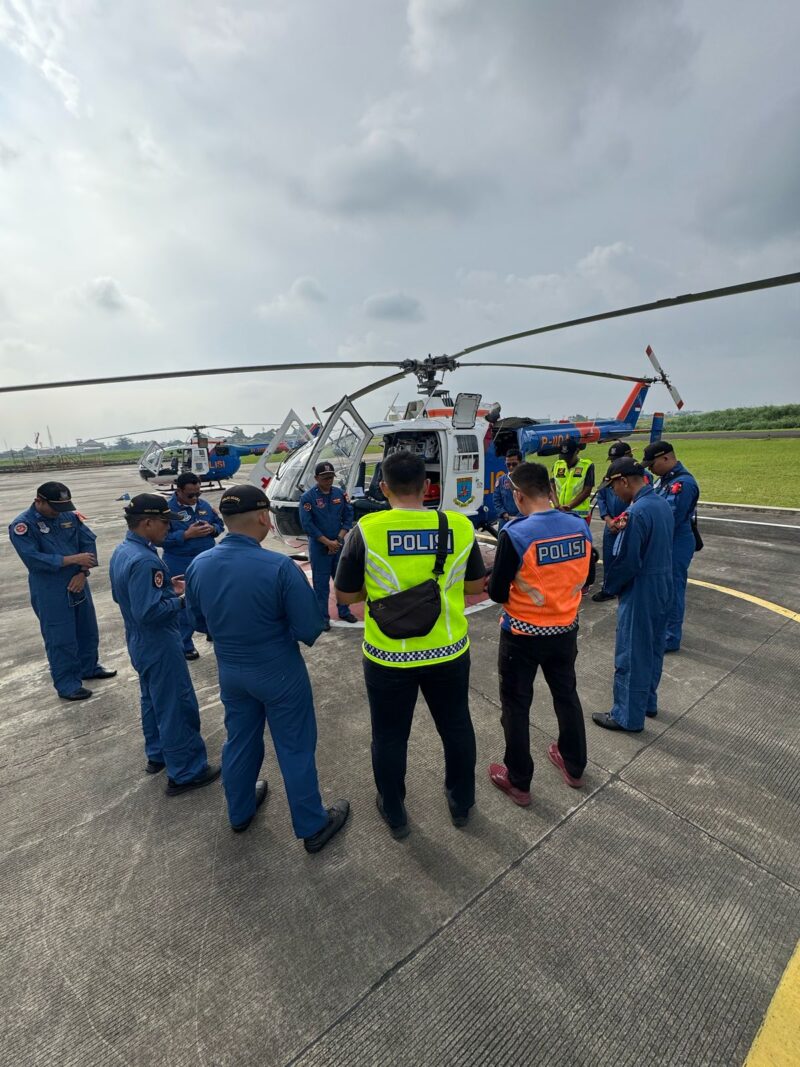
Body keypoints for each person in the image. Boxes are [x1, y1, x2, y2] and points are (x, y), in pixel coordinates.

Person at [185, 485, 349, 850]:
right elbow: (309, 627)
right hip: (278, 668)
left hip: (230, 668)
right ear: (263, 517)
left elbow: (196, 621)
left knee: (240, 739)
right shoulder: (277, 566)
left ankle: (239, 810)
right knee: (294, 746)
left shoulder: (198, 565)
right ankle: (311, 824)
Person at [335, 451, 485, 839]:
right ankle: (461, 802)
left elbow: (347, 595)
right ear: (428, 487)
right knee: (456, 727)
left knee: (388, 735)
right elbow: (473, 588)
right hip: (448, 650)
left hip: (388, 655)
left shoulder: (366, 530)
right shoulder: (459, 526)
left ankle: (395, 809)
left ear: (383, 488)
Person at [487, 462, 591, 806]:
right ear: (550, 490)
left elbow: (498, 593)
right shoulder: (580, 526)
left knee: (516, 707)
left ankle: (519, 780)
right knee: (566, 696)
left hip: (523, 634)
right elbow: (588, 576)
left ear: (518, 496)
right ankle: (574, 765)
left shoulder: (516, 534)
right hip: (565, 630)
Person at [109, 493, 219, 794]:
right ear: (146, 523)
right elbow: (150, 611)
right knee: (176, 704)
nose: (168, 530)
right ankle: (186, 770)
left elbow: (128, 597)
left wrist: (168, 588)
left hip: (137, 639)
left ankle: (157, 754)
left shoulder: (124, 551)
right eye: (164, 523)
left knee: (152, 698)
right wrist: (182, 600)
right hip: (158, 640)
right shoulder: (146, 560)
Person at [8, 481, 116, 700]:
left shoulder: (69, 516)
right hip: (50, 588)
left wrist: (82, 571)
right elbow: (33, 559)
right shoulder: (23, 526)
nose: (60, 512)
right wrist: (72, 560)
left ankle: (89, 667)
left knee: (87, 629)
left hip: (78, 580)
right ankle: (68, 684)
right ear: (39, 501)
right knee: (60, 636)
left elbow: (88, 541)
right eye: (55, 507)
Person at [592, 458, 673, 733]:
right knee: (652, 647)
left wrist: (611, 587)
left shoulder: (636, 512)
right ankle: (647, 701)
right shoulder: (661, 503)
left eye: (614, 487)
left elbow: (627, 559)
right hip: (663, 582)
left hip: (642, 586)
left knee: (632, 652)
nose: (614, 493)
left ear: (624, 481)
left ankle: (627, 715)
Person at [643, 440, 700, 653]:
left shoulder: (683, 484)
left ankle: (670, 638)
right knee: (662, 590)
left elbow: (671, 518)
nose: (650, 469)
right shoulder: (664, 480)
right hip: (666, 541)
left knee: (672, 590)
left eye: (652, 464)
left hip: (676, 541)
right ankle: (662, 632)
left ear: (665, 458)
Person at [161, 472, 224, 660]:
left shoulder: (204, 506)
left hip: (206, 559)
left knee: (212, 598)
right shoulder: (166, 511)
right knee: (183, 603)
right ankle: (185, 643)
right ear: (178, 491)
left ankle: (210, 630)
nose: (195, 498)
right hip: (180, 560)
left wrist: (213, 529)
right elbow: (161, 539)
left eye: (198, 493)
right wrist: (186, 535)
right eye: (190, 495)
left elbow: (219, 524)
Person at [299, 462, 357, 630]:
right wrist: (327, 542)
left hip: (338, 545)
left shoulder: (340, 494)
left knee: (342, 581)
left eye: (331, 477)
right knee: (321, 583)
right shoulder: (308, 498)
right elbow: (307, 525)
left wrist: (338, 540)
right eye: (325, 478)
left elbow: (348, 516)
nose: (329, 480)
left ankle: (344, 611)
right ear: (316, 478)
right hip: (319, 547)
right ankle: (323, 617)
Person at [552, 439, 596, 594]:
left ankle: (584, 582)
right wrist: (557, 505)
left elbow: (587, 489)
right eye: (563, 456)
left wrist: (569, 506)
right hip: (559, 513)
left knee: (580, 550)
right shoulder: (558, 465)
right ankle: (564, 578)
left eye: (568, 456)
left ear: (577, 452)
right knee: (561, 549)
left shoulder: (586, 466)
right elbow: (553, 485)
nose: (565, 459)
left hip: (578, 516)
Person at [591, 440, 633, 602]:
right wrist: (608, 520)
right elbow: (601, 497)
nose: (615, 463)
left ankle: (628, 587)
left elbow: (639, 501)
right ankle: (609, 589)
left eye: (619, 459)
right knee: (609, 558)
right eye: (613, 461)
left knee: (629, 557)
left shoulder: (640, 476)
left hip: (630, 524)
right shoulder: (610, 476)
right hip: (611, 524)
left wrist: (623, 520)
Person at [492, 448, 523, 530]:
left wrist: (519, 517)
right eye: (508, 464)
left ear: (520, 463)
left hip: (522, 520)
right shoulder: (501, 480)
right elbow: (496, 500)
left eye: (514, 464)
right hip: (505, 521)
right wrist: (504, 514)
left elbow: (529, 500)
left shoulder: (527, 480)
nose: (511, 467)